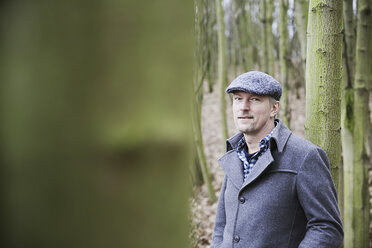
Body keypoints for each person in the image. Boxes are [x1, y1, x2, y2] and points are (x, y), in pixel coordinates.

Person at [210, 71, 343, 248]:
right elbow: (221, 226)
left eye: (254, 99)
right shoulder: (234, 154)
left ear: (274, 108)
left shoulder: (305, 156)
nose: (243, 107)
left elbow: (327, 228)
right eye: (238, 99)